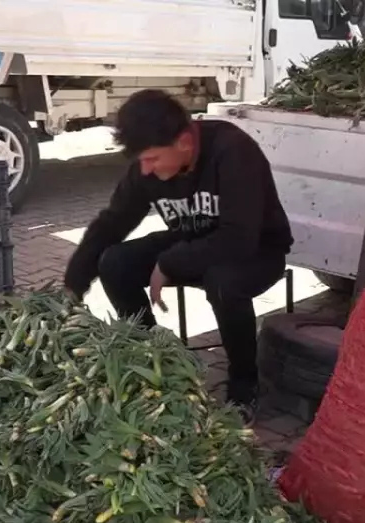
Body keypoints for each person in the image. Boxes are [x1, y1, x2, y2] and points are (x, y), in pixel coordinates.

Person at [63, 89, 293, 423]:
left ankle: (245, 386)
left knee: (223, 282)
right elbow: (111, 224)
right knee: (115, 262)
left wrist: (170, 264)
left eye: (153, 159)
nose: (145, 169)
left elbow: (239, 238)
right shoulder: (146, 170)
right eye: (141, 160)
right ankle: (153, 361)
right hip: (191, 242)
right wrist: (73, 284)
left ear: (184, 142)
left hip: (257, 251)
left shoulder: (234, 151)